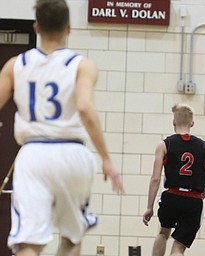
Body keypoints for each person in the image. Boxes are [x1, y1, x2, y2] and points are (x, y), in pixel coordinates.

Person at [0, 0, 125, 255]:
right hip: (72, 153)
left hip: (33, 155)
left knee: (29, 242)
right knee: (71, 237)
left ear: (36, 28)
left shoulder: (15, 65)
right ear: (69, 28)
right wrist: (106, 159)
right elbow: (84, 108)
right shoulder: (82, 65)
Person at [143, 103, 205, 256]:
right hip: (193, 199)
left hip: (171, 196)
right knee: (179, 247)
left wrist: (149, 207)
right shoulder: (204, 147)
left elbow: (155, 178)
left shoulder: (164, 144)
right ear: (192, 123)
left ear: (173, 122)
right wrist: (200, 197)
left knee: (163, 233)